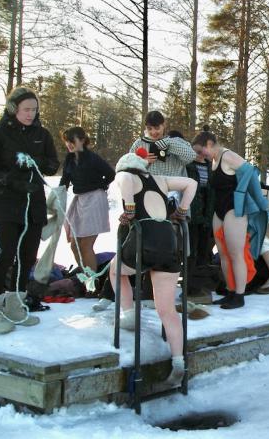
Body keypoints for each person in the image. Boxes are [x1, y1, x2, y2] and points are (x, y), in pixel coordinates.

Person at [109, 152, 197, 386]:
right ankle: (179, 362)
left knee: (115, 270)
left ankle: (128, 315)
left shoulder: (126, 175)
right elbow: (191, 183)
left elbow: (126, 182)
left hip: (143, 240)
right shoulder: (160, 179)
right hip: (169, 242)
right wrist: (181, 211)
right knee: (167, 310)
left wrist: (128, 211)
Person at [0, 87, 59, 332]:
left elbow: (53, 164)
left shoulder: (42, 135)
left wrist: (39, 164)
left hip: (33, 205)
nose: (31, 114)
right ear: (13, 109)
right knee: (5, 255)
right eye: (26, 109)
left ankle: (15, 304)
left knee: (27, 257)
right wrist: (11, 178)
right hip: (5, 205)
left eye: (34, 109)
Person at [193, 132, 269, 309]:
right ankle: (230, 290)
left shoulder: (228, 156)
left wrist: (259, 202)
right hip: (219, 211)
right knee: (224, 255)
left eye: (202, 150)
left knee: (236, 254)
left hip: (235, 210)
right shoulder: (213, 160)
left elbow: (250, 173)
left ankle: (239, 295)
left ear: (210, 143)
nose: (201, 155)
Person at [59, 127, 115, 274]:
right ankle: (85, 276)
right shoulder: (69, 159)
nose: (69, 144)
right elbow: (64, 180)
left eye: (72, 141)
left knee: (86, 244)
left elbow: (110, 174)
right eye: (67, 142)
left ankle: (92, 282)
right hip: (80, 201)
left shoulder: (92, 158)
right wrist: (57, 195)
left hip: (95, 199)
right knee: (74, 245)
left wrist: (100, 186)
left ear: (82, 141)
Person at [186, 134, 217, 297]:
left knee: (204, 252)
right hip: (191, 215)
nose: (201, 154)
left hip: (206, 215)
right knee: (191, 252)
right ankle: (190, 287)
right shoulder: (187, 166)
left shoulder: (210, 166)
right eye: (197, 150)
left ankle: (199, 285)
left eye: (203, 151)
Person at [130, 111, 196, 178]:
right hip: (149, 185)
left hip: (172, 185)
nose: (153, 132)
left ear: (163, 125)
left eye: (157, 128)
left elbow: (191, 156)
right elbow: (128, 167)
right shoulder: (139, 144)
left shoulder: (175, 141)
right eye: (149, 128)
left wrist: (169, 143)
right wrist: (142, 162)